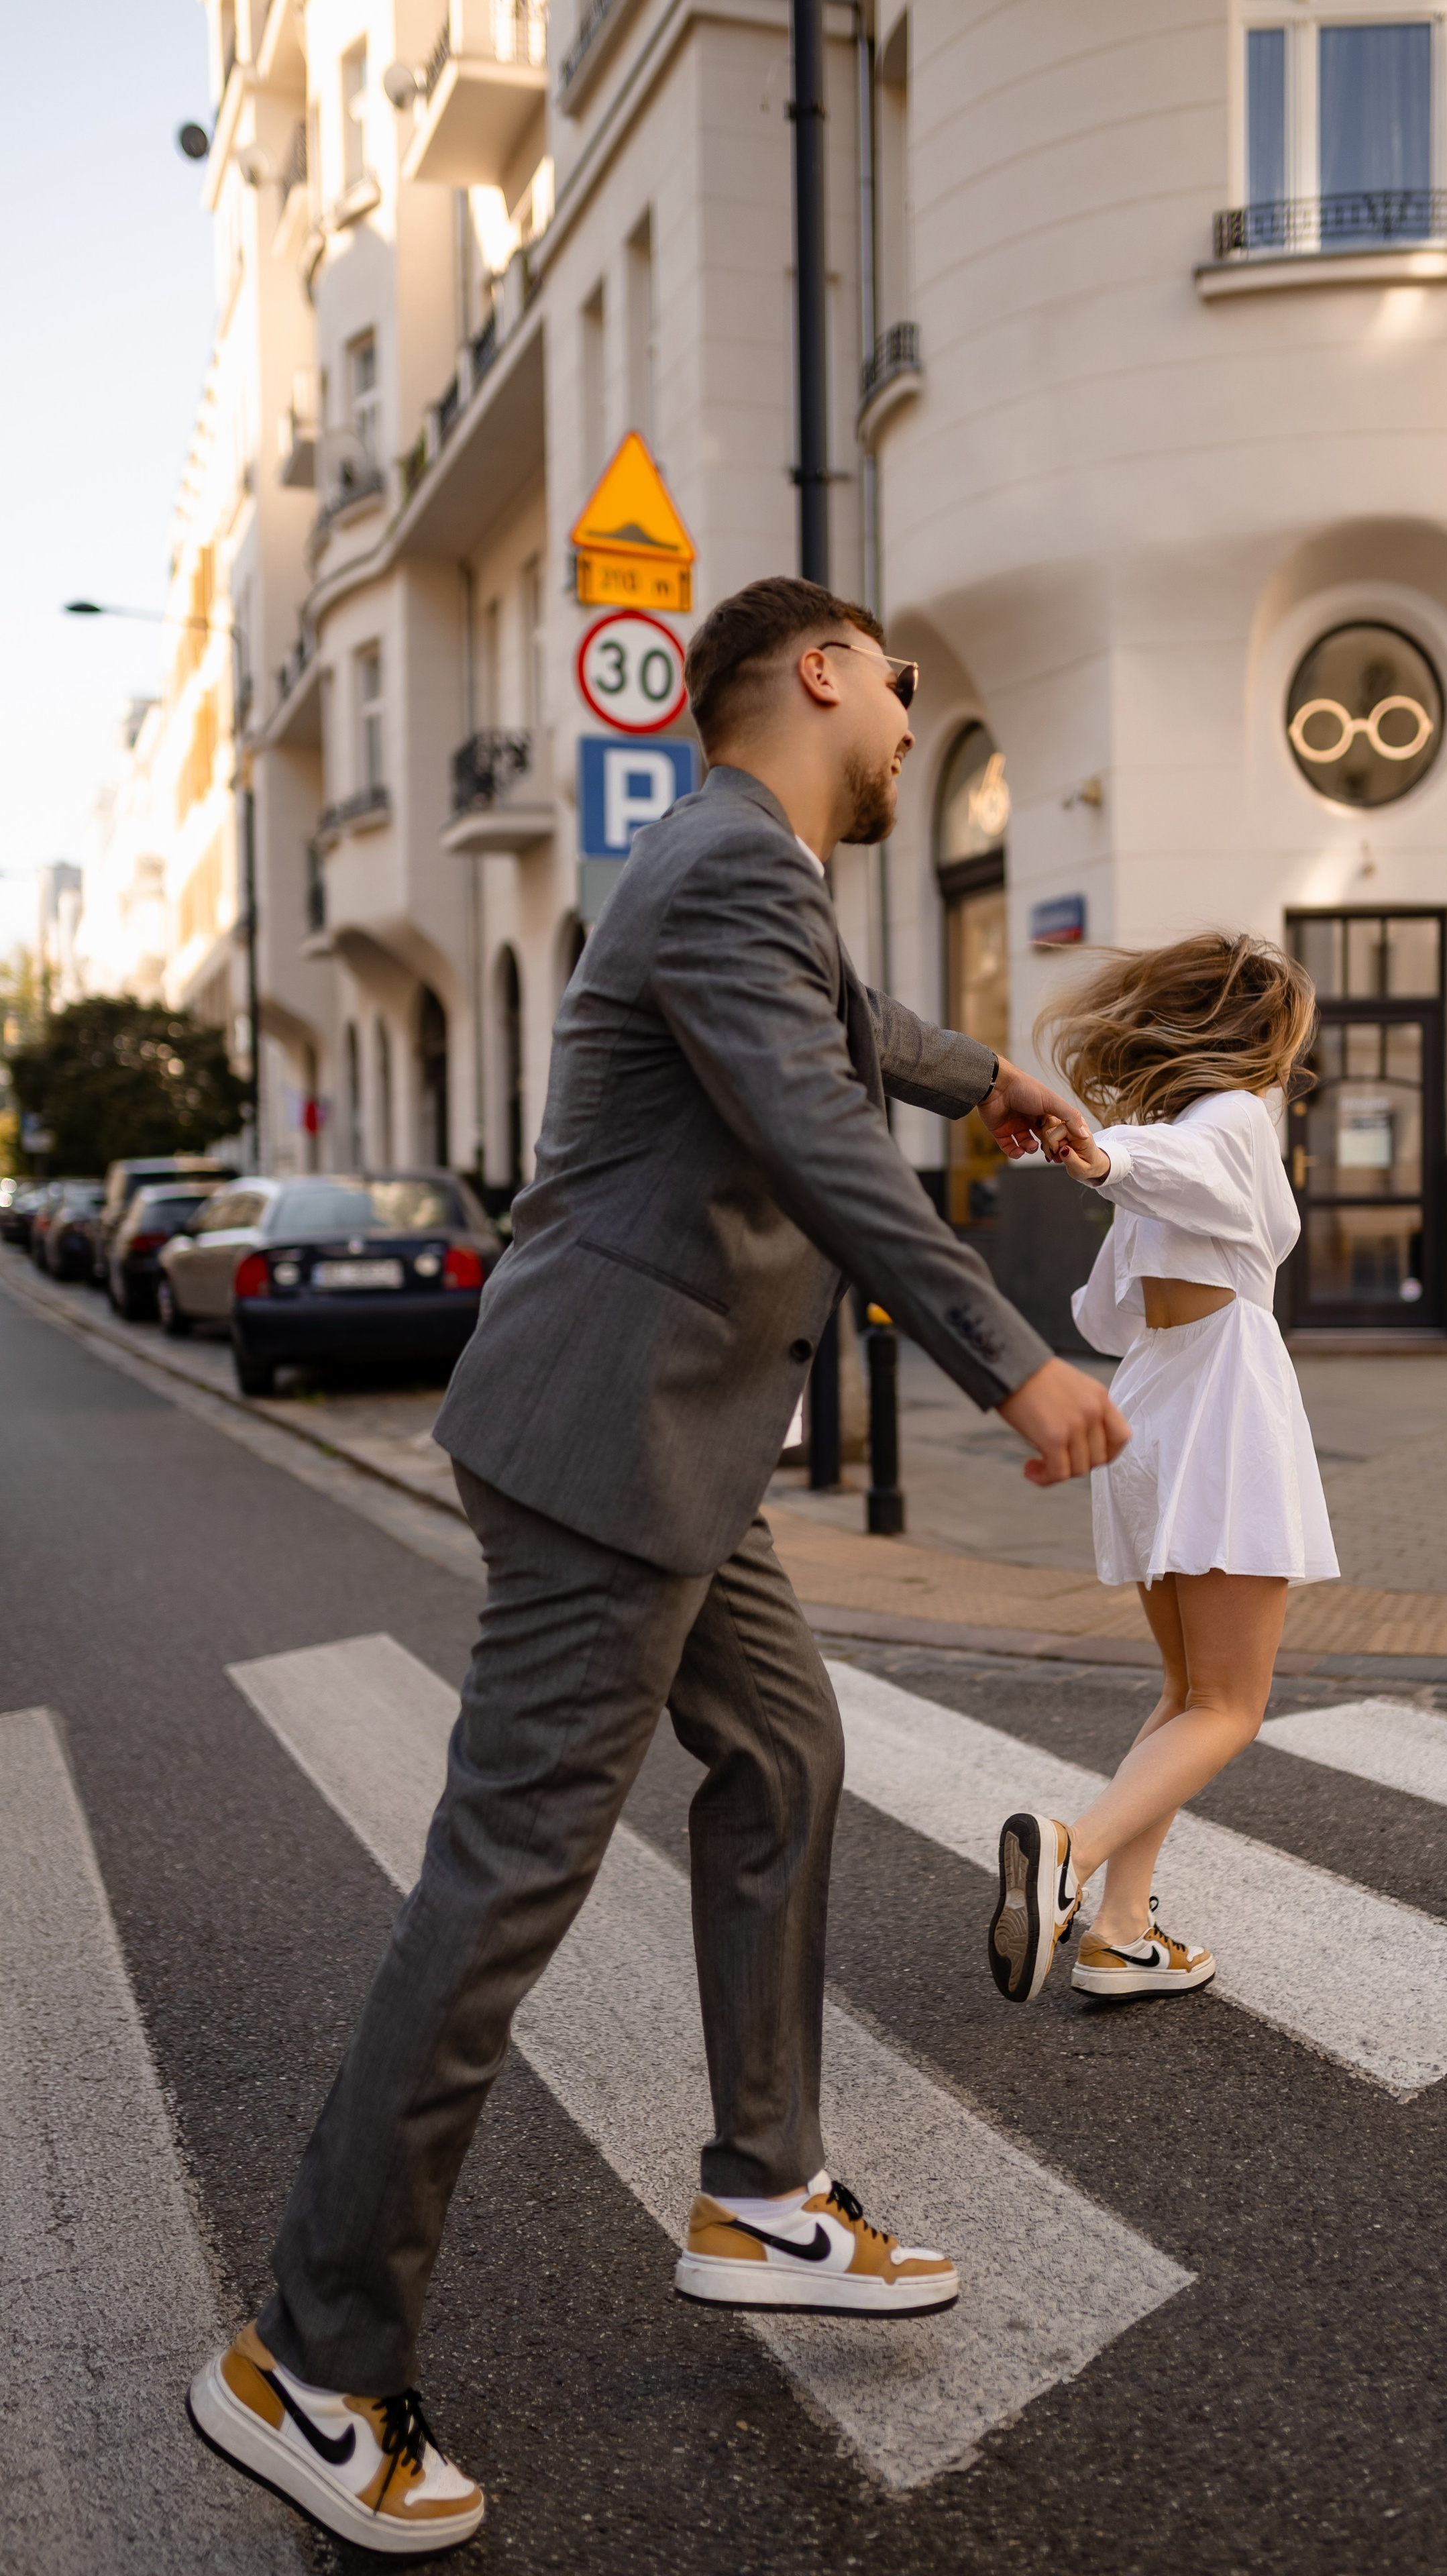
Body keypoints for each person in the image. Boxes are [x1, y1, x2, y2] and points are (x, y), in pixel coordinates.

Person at [188, 574, 1130, 2557]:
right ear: (819, 670)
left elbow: (847, 1037)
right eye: (897, 680)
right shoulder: (728, 864)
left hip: (665, 1446)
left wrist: (988, 1076)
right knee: (505, 1882)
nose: (909, 716)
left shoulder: (733, 865)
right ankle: (306, 2357)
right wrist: (1012, 1356)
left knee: (784, 1754)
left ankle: (763, 2191)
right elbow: (811, 1132)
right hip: (610, 1450)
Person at [985, 932, 1338, 2011]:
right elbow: (1187, 1164)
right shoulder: (1232, 1119)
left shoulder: (1178, 1145)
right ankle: (1072, 1854)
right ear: (1260, 1036)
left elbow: (1101, 1316)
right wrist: (1103, 1160)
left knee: (1189, 1693)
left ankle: (1120, 1933)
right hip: (1222, 1404)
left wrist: (1118, 1170)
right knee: (1231, 1705)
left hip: (1151, 1406)